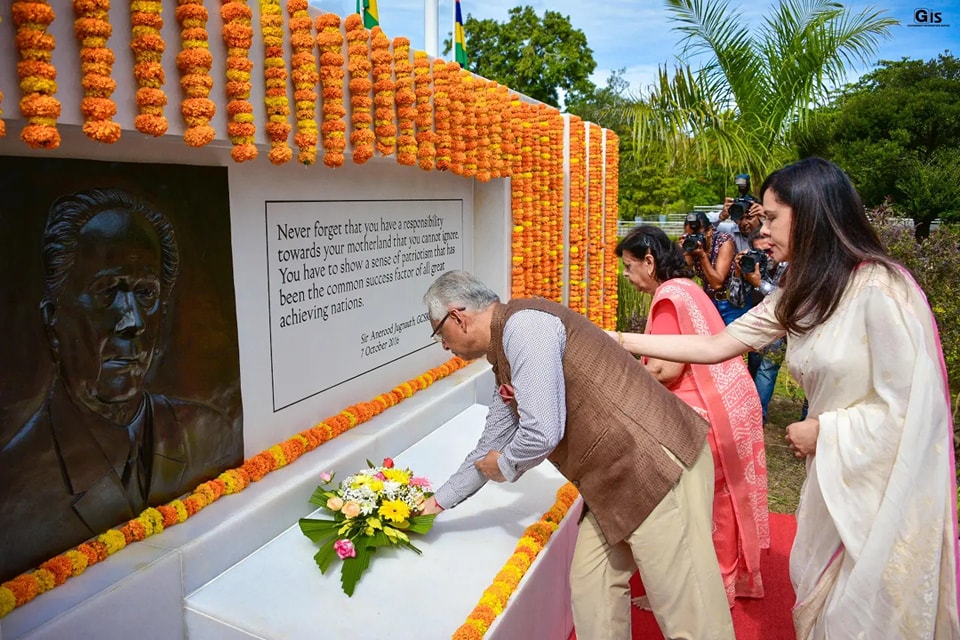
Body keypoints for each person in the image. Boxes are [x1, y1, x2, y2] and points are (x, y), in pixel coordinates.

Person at [612, 157, 960, 638]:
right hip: (833, 474)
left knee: (863, 610)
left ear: (813, 213)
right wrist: (619, 340)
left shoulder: (881, 290)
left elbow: (911, 411)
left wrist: (825, 429)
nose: (760, 232)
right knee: (818, 591)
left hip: (880, 484)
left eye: (772, 218)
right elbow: (717, 346)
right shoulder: (802, 290)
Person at [419, 270, 735, 640]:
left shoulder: (525, 328)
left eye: (441, 334)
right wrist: (435, 504)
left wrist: (503, 466)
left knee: (691, 619)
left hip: (654, 467)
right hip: (613, 482)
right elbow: (489, 444)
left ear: (458, 317)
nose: (444, 345)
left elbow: (541, 432)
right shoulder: (504, 350)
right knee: (592, 591)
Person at [0, 188, 242, 582]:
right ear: (52, 320)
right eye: (108, 291)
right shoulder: (13, 488)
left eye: (145, 294)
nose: (133, 320)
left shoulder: (210, 429)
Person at [615, 225, 768, 606]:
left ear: (649, 262)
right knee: (722, 502)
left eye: (630, 267)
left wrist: (620, 372)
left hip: (703, 416)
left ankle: (696, 591)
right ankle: (721, 584)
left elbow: (666, 369)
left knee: (697, 507)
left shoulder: (668, 297)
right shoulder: (688, 287)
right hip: (729, 404)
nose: (628, 277)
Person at [729, 234, 787, 421]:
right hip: (756, 326)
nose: (763, 257)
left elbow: (784, 301)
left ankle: (756, 417)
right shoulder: (751, 267)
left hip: (780, 326)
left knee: (766, 371)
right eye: (758, 253)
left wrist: (758, 283)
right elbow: (735, 300)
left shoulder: (788, 266)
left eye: (767, 252)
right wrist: (738, 273)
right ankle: (752, 409)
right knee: (754, 367)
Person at [679, 211, 741, 324]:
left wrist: (702, 256)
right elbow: (685, 270)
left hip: (731, 302)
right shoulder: (693, 247)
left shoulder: (724, 242)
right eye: (689, 236)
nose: (694, 239)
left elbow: (717, 283)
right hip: (710, 301)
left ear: (709, 231)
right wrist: (684, 252)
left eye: (697, 235)